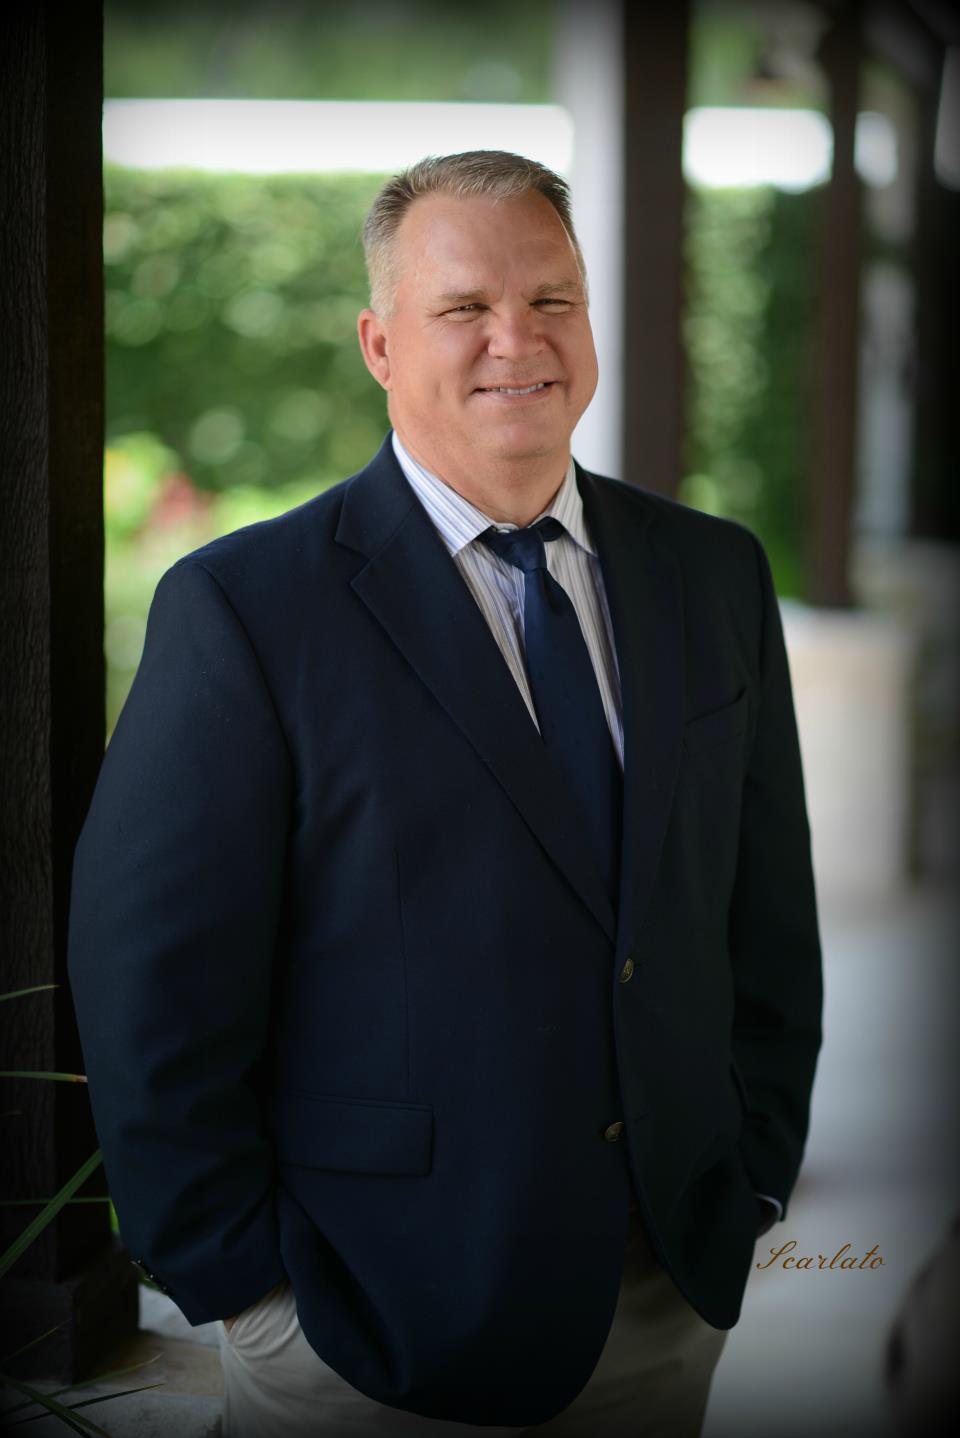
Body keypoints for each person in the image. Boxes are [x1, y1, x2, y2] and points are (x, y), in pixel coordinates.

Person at [67, 150, 823, 1437]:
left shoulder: (714, 575)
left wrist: (747, 1178)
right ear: (377, 343)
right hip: (366, 1329)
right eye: (464, 308)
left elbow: (765, 910)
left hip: (664, 1300)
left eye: (552, 301)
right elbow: (152, 981)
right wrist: (245, 1291)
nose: (515, 341)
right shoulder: (249, 611)